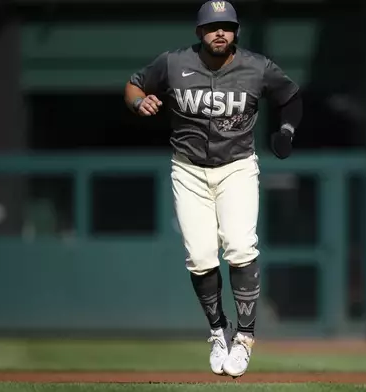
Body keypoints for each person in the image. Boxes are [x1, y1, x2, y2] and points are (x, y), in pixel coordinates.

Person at [124, 0, 302, 378]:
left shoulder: (256, 67)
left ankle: (245, 337)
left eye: (227, 26)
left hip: (236, 166)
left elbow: (290, 97)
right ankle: (218, 331)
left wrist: (286, 130)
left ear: (235, 31)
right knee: (201, 257)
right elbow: (134, 84)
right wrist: (139, 102)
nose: (220, 32)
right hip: (188, 169)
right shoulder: (173, 63)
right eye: (211, 26)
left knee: (240, 246)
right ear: (199, 32)